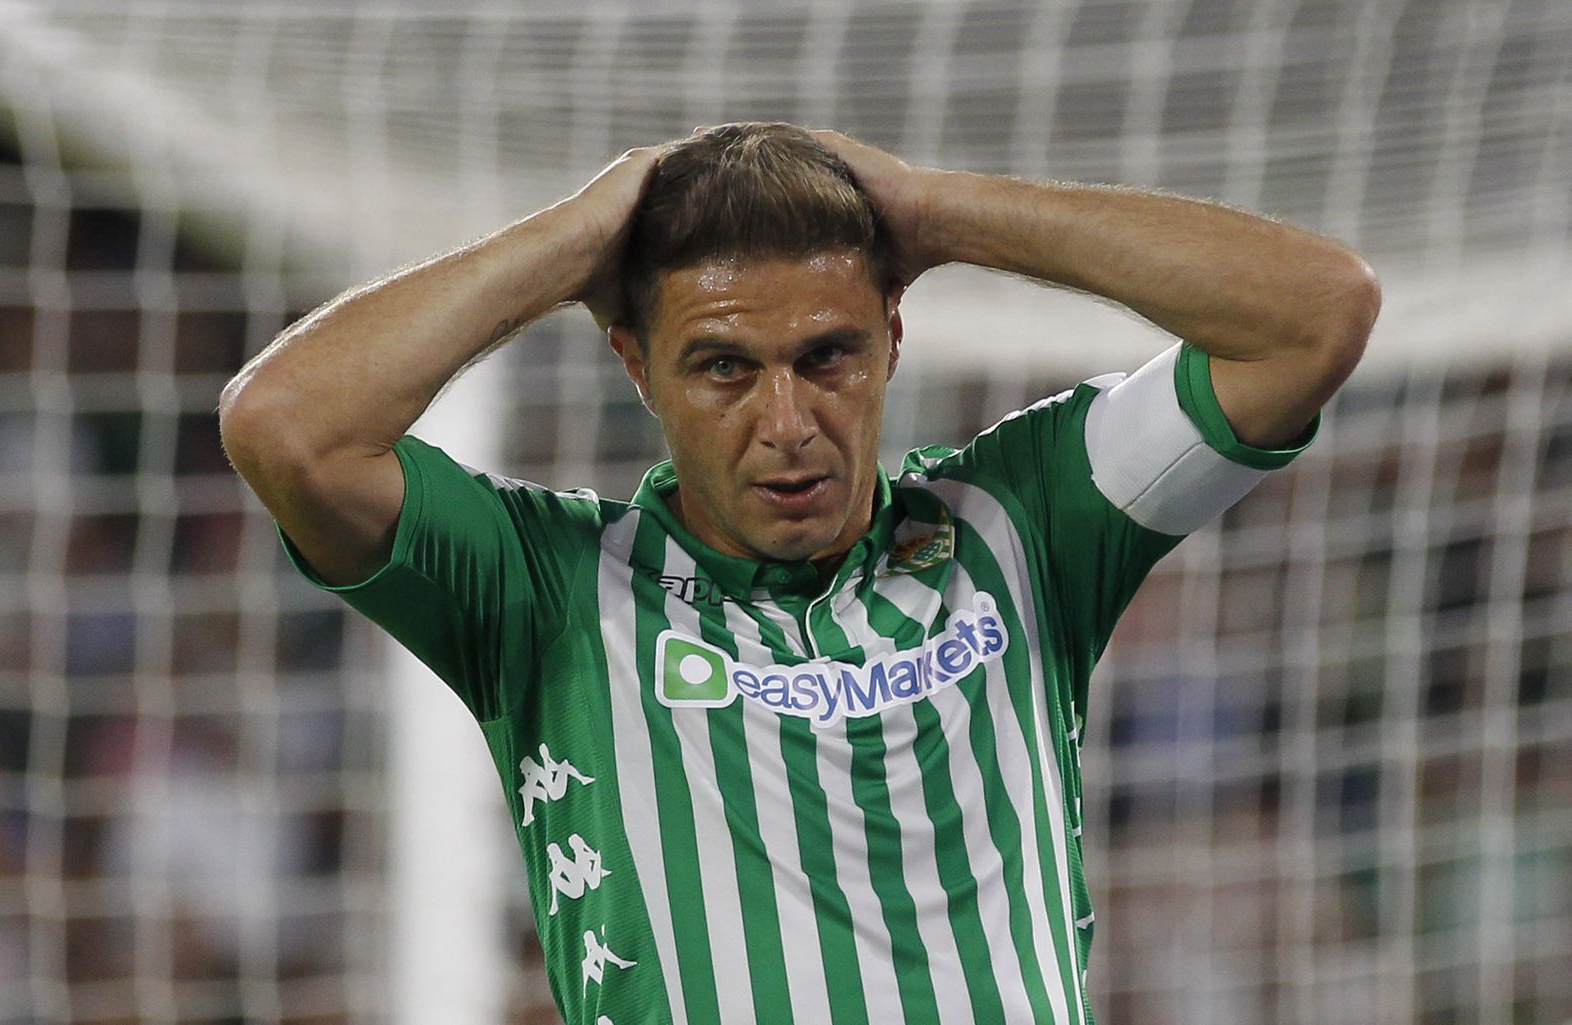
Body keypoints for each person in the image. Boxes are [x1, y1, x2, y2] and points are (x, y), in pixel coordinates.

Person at [218, 122, 1379, 1025]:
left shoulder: (1022, 516)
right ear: (634, 364)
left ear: (892, 334)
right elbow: (286, 427)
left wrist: (936, 209)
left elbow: (1314, 316)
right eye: (724, 366)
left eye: (828, 356)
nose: (788, 421)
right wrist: (571, 246)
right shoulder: (545, 586)